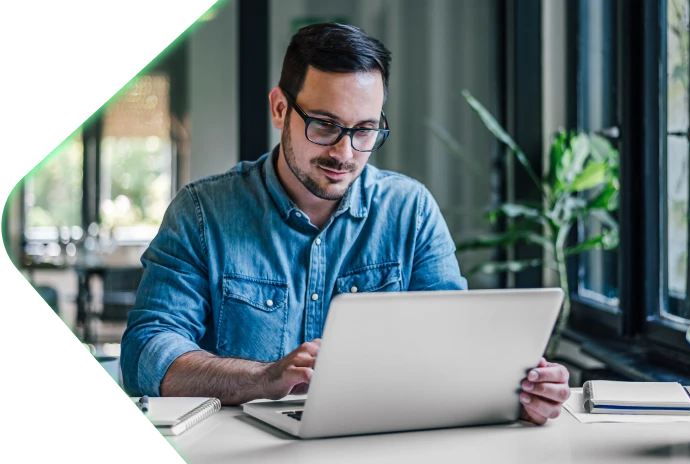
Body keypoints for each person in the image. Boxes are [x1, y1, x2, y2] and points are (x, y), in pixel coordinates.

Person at [120, 22, 570, 426]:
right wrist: (263, 377)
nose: (345, 152)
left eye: (365, 130)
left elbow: (456, 349)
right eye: (324, 125)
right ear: (280, 109)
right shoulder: (202, 213)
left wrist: (523, 392)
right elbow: (145, 353)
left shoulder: (410, 211)